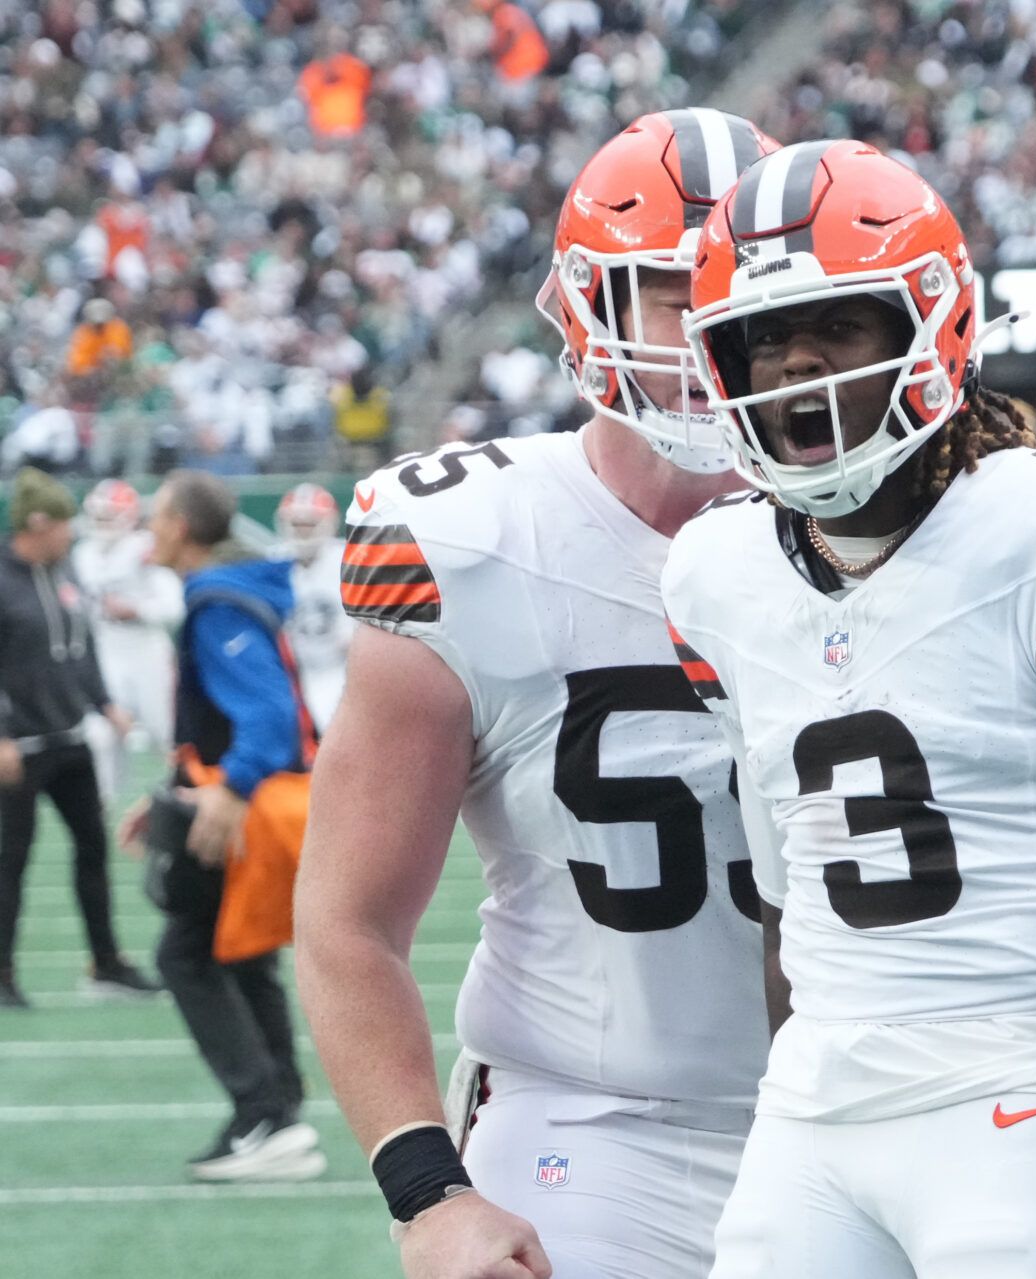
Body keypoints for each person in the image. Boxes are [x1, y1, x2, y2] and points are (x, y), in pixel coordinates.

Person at [665, 140, 1036, 1279]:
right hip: (814, 1114)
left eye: (837, 323)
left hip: (1018, 1094)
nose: (795, 363)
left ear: (930, 326)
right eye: (762, 339)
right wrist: (796, 1096)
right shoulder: (713, 571)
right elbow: (789, 912)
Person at [294, 109, 779, 1279]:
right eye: (678, 290)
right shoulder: (474, 542)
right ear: (591, 307)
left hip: (863, 1111)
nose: (719, 323)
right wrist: (429, 1195)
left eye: (747, 288)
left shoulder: (899, 532)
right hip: (596, 1119)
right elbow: (349, 918)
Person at [117, 469, 322, 1182]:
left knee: (186, 955)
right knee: (241, 952)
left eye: (158, 514)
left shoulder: (218, 600)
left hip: (245, 806)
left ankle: (262, 1113)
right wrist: (175, 788)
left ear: (180, 526)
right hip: (250, 797)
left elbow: (264, 715)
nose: (150, 524)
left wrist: (229, 788)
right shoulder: (233, 588)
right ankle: (281, 1111)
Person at [0, 468, 155, 1009]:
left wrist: (104, 703)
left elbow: (80, 648)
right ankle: (2, 973)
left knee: (92, 847)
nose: (73, 533)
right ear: (37, 524)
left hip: (70, 737)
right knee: (9, 860)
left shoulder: (63, 569)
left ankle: (106, 962)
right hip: (20, 747)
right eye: (64, 523)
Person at [72, 478, 183, 794]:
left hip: (146, 654)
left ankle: (184, 806)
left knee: (169, 736)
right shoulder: (82, 554)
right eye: (99, 515)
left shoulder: (144, 548)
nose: (103, 523)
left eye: (110, 515)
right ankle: (101, 811)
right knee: (100, 737)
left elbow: (173, 605)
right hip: (104, 652)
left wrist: (136, 610)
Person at [274, 484, 352, 733]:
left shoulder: (348, 560)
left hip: (342, 666)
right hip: (294, 671)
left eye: (309, 525)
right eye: (297, 525)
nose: (303, 532)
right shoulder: (274, 562)